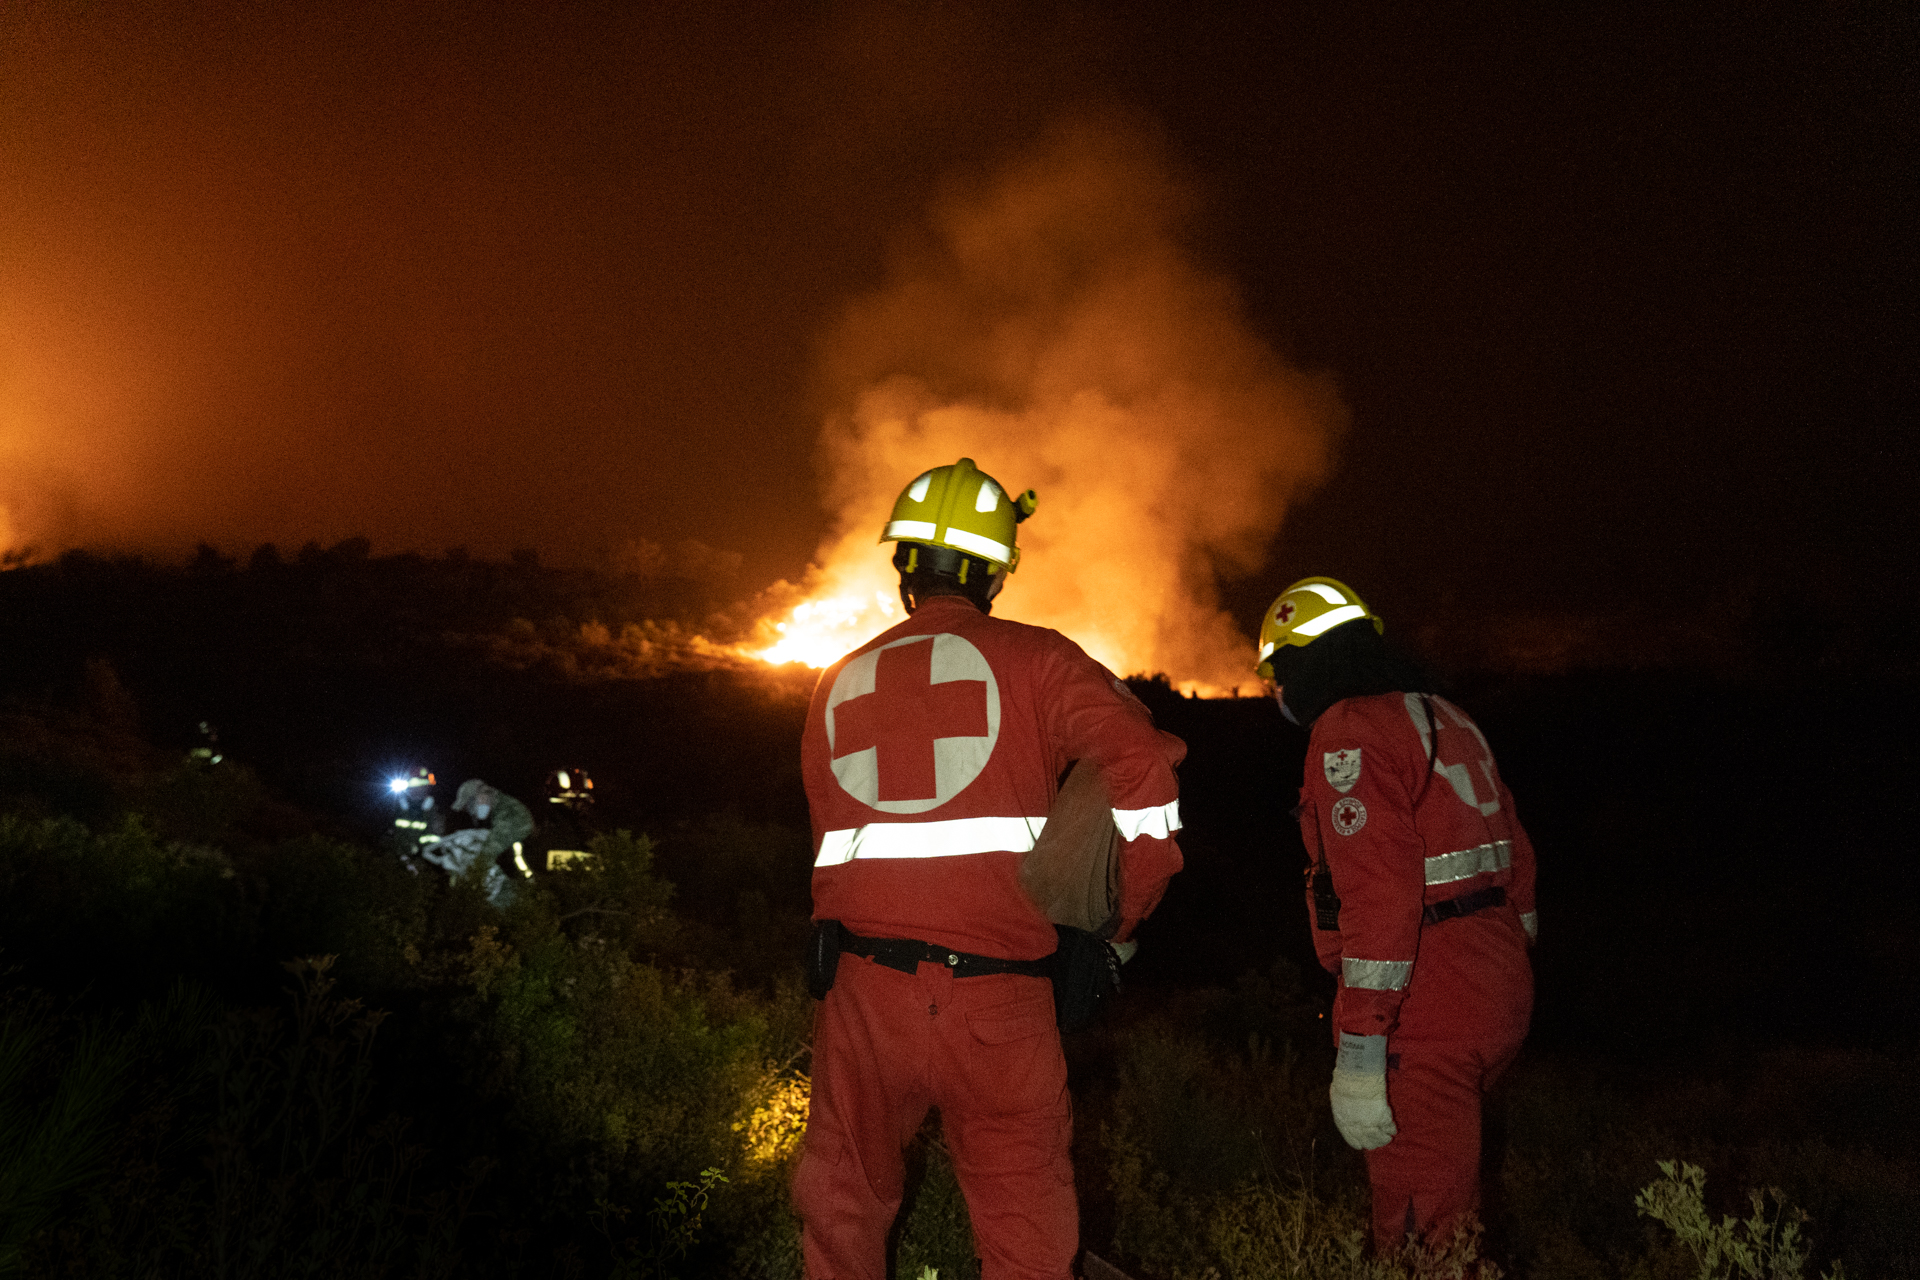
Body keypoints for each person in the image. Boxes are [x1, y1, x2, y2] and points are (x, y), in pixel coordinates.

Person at [794, 457, 1186, 1280]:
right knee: (1027, 1236)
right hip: (1001, 1002)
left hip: (862, 994)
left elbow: (835, 841)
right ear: (997, 571)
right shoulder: (1040, 661)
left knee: (842, 1211)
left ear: (904, 564)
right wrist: (1118, 925)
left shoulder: (836, 680)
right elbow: (1142, 760)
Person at [1256, 576, 1536, 1255]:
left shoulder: (1349, 730)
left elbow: (1379, 898)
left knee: (1419, 1233)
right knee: (1453, 1206)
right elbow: (1519, 858)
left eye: (1278, 673)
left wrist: (1360, 1047)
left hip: (1428, 1002)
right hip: (1497, 982)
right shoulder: (1446, 714)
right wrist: (1504, 964)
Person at [428, 777, 535, 906]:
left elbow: (487, 854)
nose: (470, 811)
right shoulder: (499, 809)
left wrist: (467, 886)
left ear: (481, 797)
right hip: (519, 881)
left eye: (469, 805)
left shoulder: (508, 814)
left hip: (523, 890)